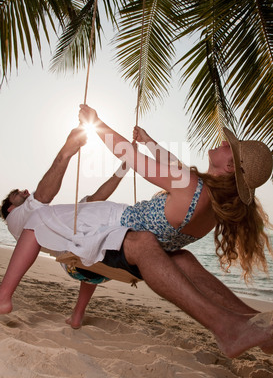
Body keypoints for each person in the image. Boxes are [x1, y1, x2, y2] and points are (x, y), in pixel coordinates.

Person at [0, 104, 272, 358]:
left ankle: (3, 297)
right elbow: (174, 166)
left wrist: (95, 122)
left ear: (229, 167)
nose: (225, 142)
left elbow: (129, 156)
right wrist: (149, 141)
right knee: (185, 260)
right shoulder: (213, 208)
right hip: (141, 252)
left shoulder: (189, 184)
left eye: (231, 149)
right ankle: (257, 323)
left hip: (114, 227)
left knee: (37, 220)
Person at [0, 124, 130, 328]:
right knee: (82, 248)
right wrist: (65, 153)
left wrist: (125, 166)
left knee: (87, 234)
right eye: (17, 193)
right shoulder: (16, 219)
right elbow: (43, 195)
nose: (24, 191)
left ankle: (77, 315)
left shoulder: (56, 218)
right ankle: (4, 297)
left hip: (91, 266)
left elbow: (99, 197)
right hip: (90, 266)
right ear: (9, 209)